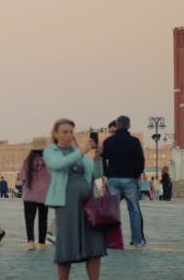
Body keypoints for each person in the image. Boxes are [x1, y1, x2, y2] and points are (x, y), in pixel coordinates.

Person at [44, 119, 105, 280]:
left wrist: (98, 158)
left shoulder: (80, 152)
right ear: (56, 134)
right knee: (66, 247)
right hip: (66, 205)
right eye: (64, 132)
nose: (69, 135)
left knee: (94, 246)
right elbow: (58, 164)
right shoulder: (51, 151)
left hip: (88, 204)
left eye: (71, 131)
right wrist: (81, 151)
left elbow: (95, 174)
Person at [102, 115, 145, 247]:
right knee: (134, 210)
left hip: (113, 179)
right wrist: (135, 174)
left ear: (118, 125)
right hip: (129, 179)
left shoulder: (108, 142)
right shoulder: (134, 141)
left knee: (113, 210)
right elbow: (140, 161)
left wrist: (108, 174)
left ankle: (114, 241)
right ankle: (137, 240)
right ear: (128, 125)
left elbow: (103, 159)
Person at [19, 141, 51, 250]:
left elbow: (22, 178)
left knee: (29, 220)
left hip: (29, 195)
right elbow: (51, 178)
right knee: (43, 219)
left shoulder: (27, 162)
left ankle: (30, 242)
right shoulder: (48, 162)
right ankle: (42, 243)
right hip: (43, 195)